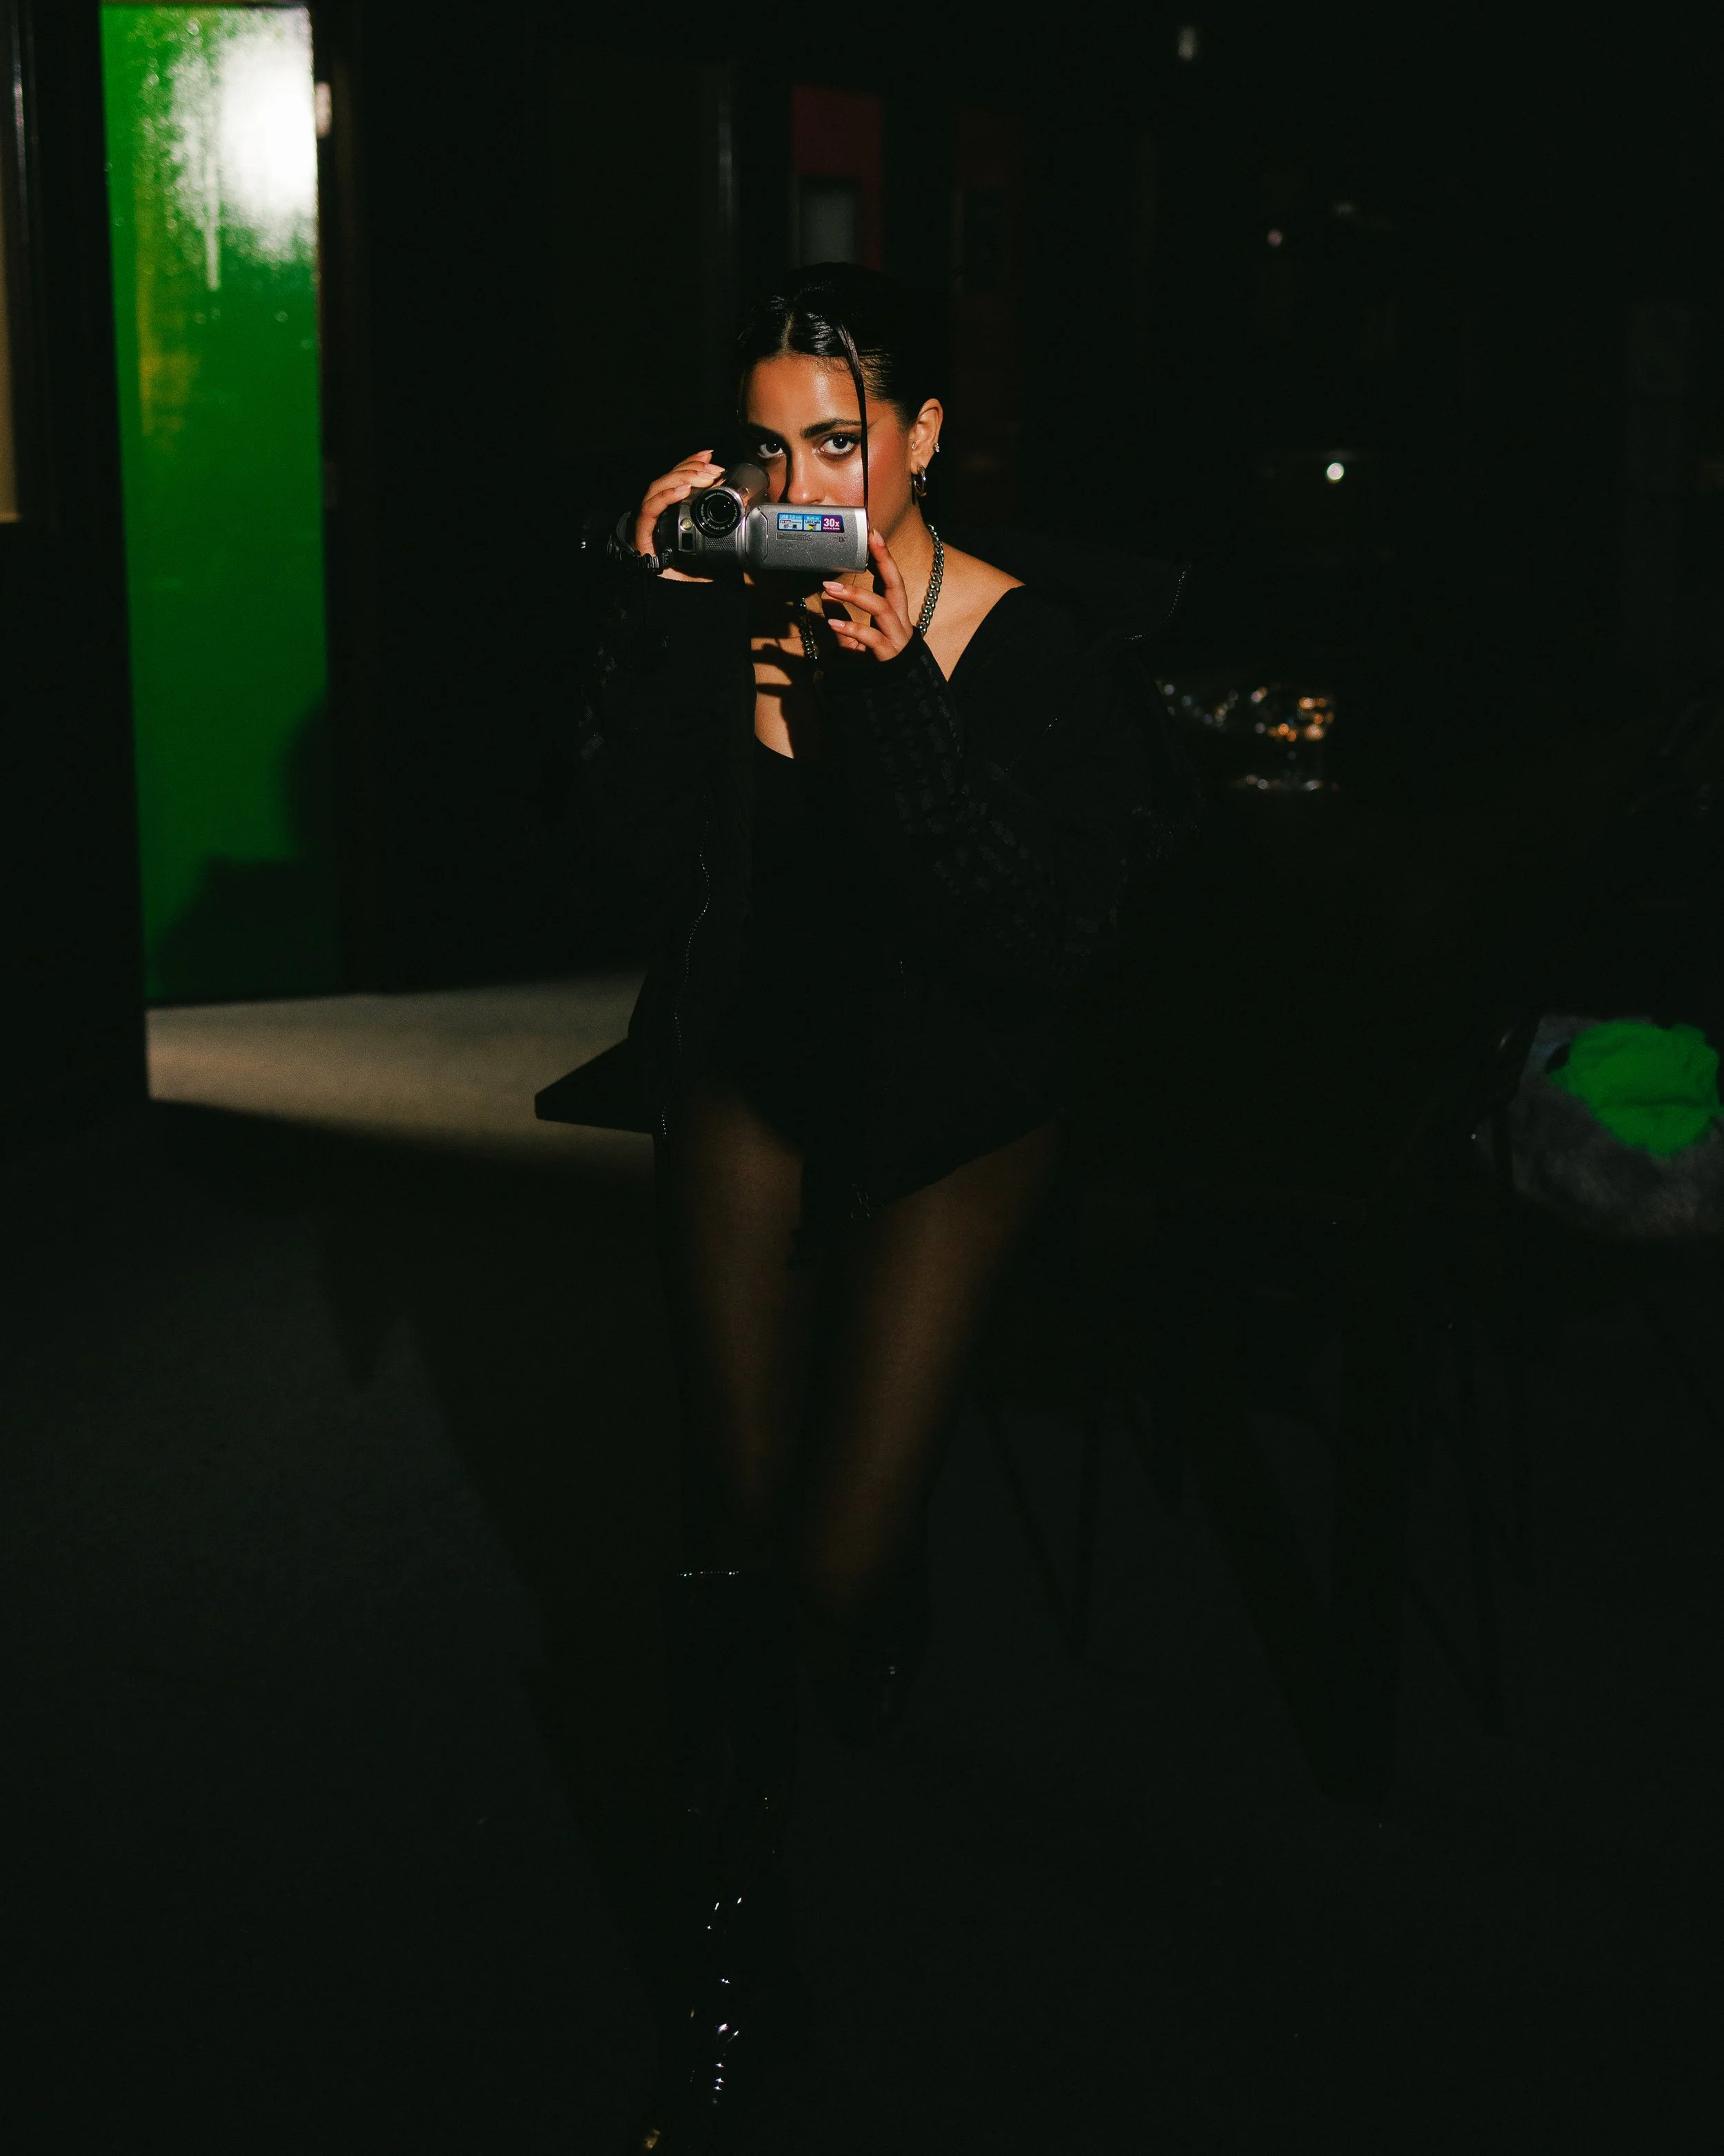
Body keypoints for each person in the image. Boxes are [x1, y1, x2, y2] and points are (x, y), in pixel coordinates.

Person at [573, 262, 1170, 2151]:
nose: (803, 477)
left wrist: (884, 687)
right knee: (727, 1527)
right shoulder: (716, 609)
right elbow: (611, 854)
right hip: (754, 1061)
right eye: (766, 446)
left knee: (836, 1559)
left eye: (835, 441)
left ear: (916, 441)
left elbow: (1032, 941)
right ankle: (731, 1971)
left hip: (954, 1097)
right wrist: (655, 607)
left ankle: (886, 1566)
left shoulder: (1034, 645)